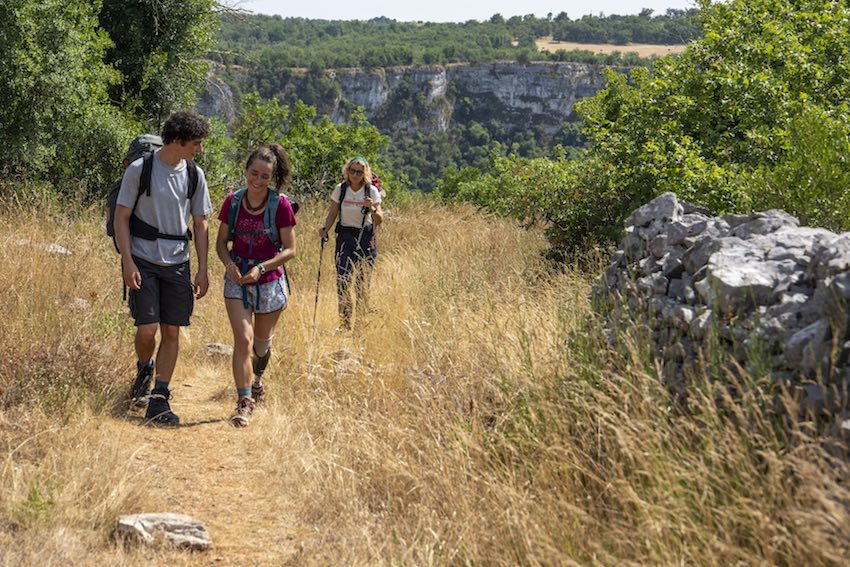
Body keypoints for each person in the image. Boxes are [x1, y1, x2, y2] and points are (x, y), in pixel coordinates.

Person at [114, 110, 212, 426]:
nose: (199, 149)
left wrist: (202, 268)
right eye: (196, 143)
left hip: (178, 263)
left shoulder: (195, 175)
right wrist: (127, 261)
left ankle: (160, 396)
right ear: (177, 141)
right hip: (143, 259)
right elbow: (121, 217)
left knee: (172, 330)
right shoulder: (140, 170)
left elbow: (201, 223)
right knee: (147, 330)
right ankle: (145, 367)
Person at [215, 144, 297, 427]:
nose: (258, 180)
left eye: (265, 176)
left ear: (272, 178)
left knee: (261, 347)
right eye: (254, 173)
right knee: (243, 340)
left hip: (269, 282)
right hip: (237, 280)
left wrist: (261, 268)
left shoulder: (280, 205)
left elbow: (290, 249)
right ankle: (244, 401)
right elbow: (221, 243)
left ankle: (257, 380)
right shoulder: (233, 202)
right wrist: (230, 265)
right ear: (246, 170)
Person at [318, 156, 383, 331]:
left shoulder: (371, 192)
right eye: (352, 171)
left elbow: (379, 219)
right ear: (347, 171)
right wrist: (325, 228)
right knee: (343, 280)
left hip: (365, 238)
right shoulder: (341, 189)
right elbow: (333, 213)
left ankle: (360, 325)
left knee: (362, 284)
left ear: (365, 174)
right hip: (345, 238)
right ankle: (345, 324)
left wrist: (372, 208)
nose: (355, 174)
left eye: (359, 172)